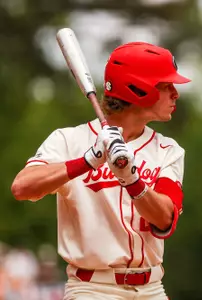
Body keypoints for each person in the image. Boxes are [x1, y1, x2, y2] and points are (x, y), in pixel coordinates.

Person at [11, 41, 190, 299]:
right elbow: (22, 187)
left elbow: (164, 219)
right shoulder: (69, 140)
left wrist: (132, 180)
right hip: (91, 288)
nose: (176, 93)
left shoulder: (167, 149)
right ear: (139, 89)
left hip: (152, 289)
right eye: (166, 86)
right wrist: (87, 160)